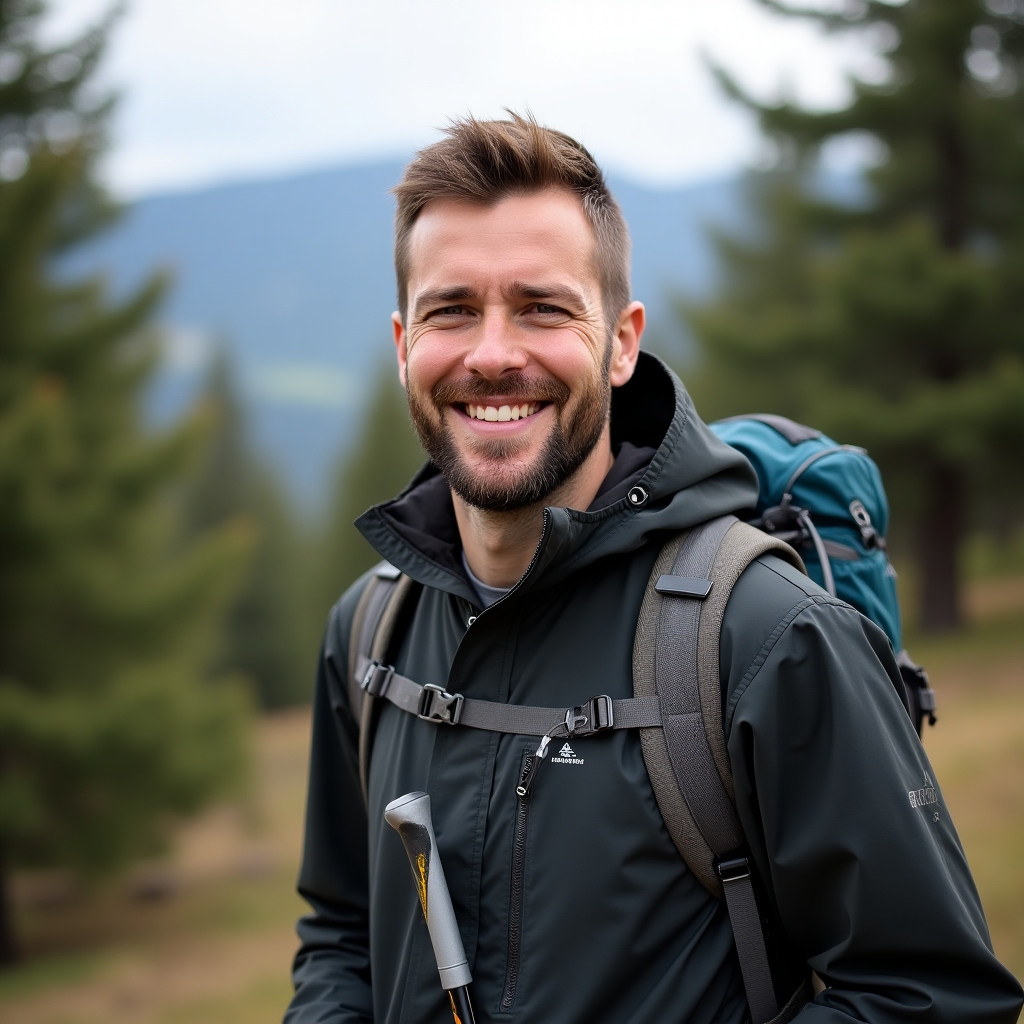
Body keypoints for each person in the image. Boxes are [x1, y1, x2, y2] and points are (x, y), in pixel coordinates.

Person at [284, 114, 1022, 1024]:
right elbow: (341, 936)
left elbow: (932, 997)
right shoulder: (367, 632)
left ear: (623, 342)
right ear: (404, 343)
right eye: (452, 310)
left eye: (543, 307)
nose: (492, 353)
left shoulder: (766, 636)